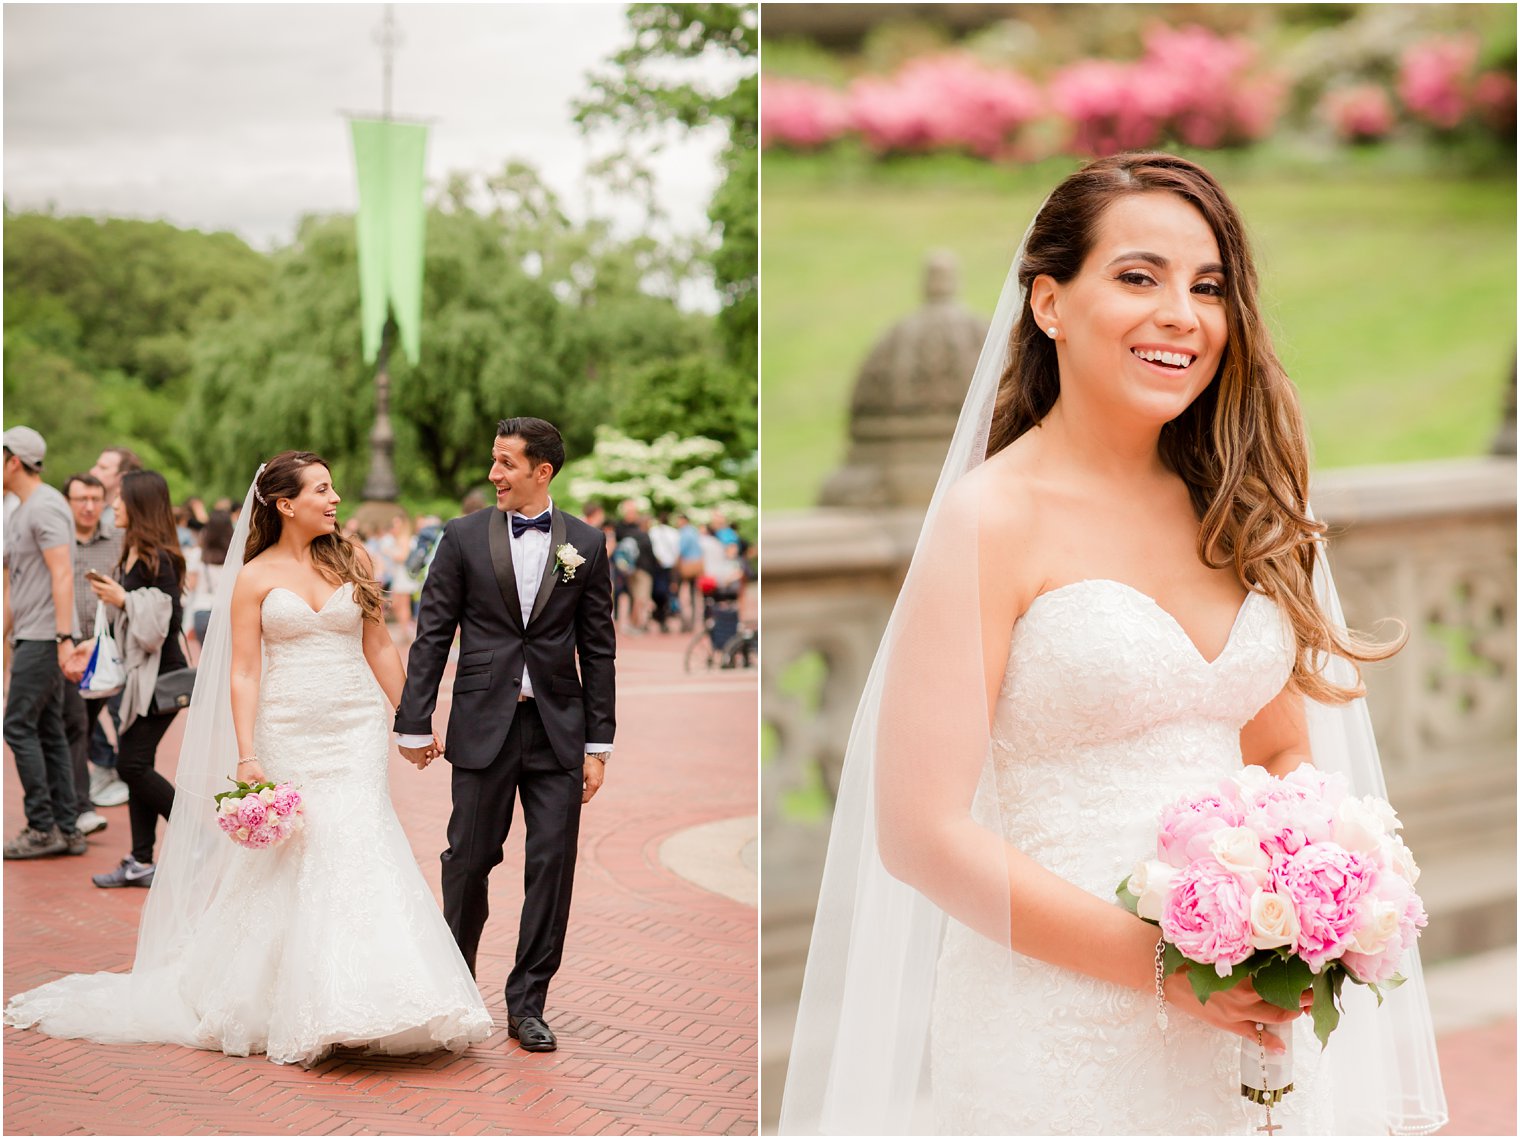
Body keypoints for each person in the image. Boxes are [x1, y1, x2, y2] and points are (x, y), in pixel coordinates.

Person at [779, 153, 1446, 1135]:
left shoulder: (1237, 503)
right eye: (1138, 276)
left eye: (1206, 285)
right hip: (1054, 1025)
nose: (1181, 311)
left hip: (1242, 1004)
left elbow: (1273, 748)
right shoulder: (989, 518)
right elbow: (919, 832)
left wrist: (1299, 889)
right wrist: (1165, 968)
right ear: (1047, 302)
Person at [4, 450, 492, 1064]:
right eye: (322, 489)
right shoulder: (254, 577)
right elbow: (241, 671)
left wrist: (412, 722)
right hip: (286, 727)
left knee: (359, 838)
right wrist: (247, 753)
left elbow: (379, 645)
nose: (335, 497)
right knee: (304, 850)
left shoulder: (354, 560)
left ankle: (377, 994)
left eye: (334, 486)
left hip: (354, 727)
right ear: (286, 504)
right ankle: (300, 999)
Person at [395, 416, 616, 1055]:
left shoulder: (587, 543)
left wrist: (598, 746)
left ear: (541, 472)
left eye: (506, 463)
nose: (494, 474)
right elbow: (433, 633)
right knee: (467, 861)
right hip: (482, 725)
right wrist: (414, 720)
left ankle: (528, 1003)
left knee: (552, 865)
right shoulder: (461, 537)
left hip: (558, 732)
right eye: (493, 461)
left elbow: (598, 650)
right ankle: (455, 989)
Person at [86, 470, 190, 888]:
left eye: (119, 499)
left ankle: (198, 838)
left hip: (161, 679)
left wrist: (124, 598)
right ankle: (141, 859)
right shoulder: (131, 551)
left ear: (140, 506)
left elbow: (163, 622)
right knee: (136, 765)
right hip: (137, 677)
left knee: (130, 764)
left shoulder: (160, 558)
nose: (113, 506)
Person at [2, 426, 87, 859]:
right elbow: (14, 581)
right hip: (30, 635)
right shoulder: (20, 509)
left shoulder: (46, 505)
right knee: (48, 729)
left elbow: (62, 572)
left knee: (16, 725)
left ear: (13, 460)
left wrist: (62, 638)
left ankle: (41, 827)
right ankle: (67, 828)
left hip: (44, 636)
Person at [60, 472, 123, 832]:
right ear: (67, 502)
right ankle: (76, 808)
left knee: (78, 728)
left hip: (104, 656)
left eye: (95, 499)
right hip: (65, 651)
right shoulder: (58, 540)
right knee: (74, 727)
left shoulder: (118, 540)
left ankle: (76, 807)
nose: (88, 506)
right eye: (80, 499)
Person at [89, 445, 142, 531]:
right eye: (96, 465)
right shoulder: (86, 508)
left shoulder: (128, 518)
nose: (92, 471)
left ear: (123, 476)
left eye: (103, 468)